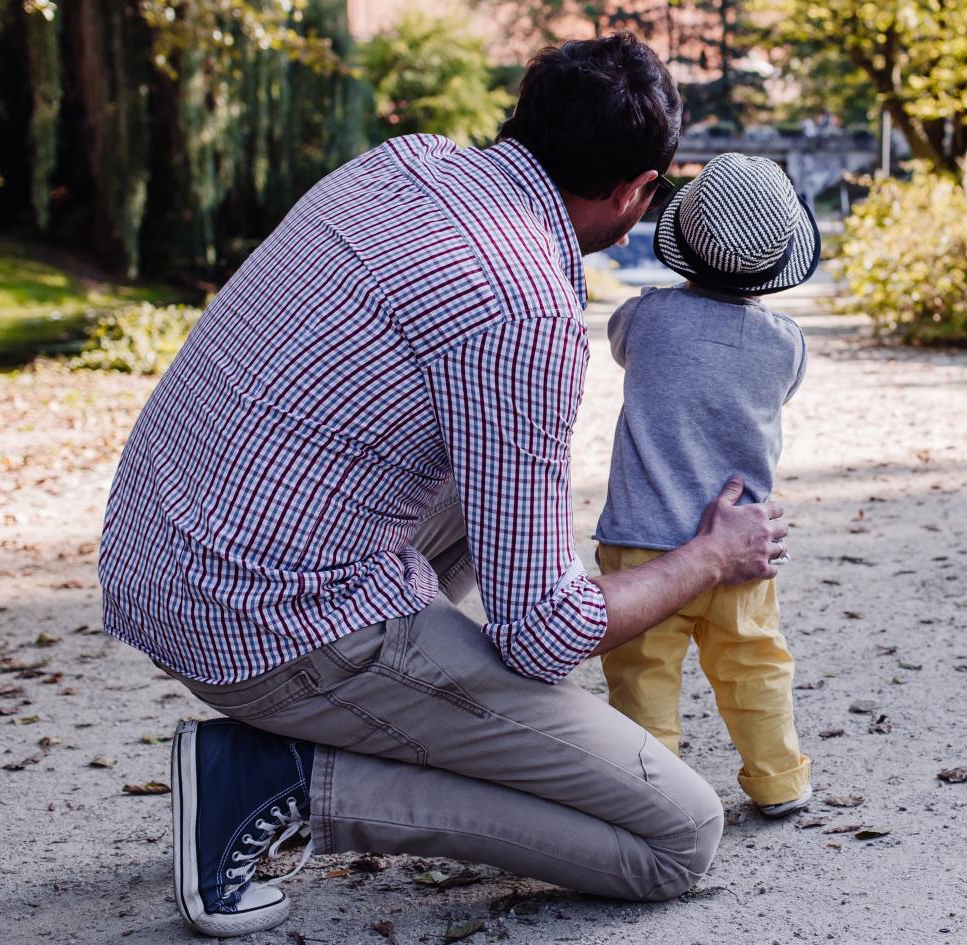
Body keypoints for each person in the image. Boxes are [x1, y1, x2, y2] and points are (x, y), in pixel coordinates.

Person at [97, 34, 788, 938]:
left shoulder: (403, 162)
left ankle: (408, 701)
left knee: (496, 481)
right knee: (676, 835)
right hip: (267, 622)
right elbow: (547, 634)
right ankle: (277, 782)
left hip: (160, 555)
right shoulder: (527, 308)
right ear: (636, 192)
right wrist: (707, 557)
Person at [594, 153, 817, 818]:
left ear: (681, 242)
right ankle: (779, 779)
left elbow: (616, 343)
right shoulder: (786, 343)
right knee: (755, 665)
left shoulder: (645, 319)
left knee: (642, 678)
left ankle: (651, 795)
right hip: (742, 546)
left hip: (642, 548)